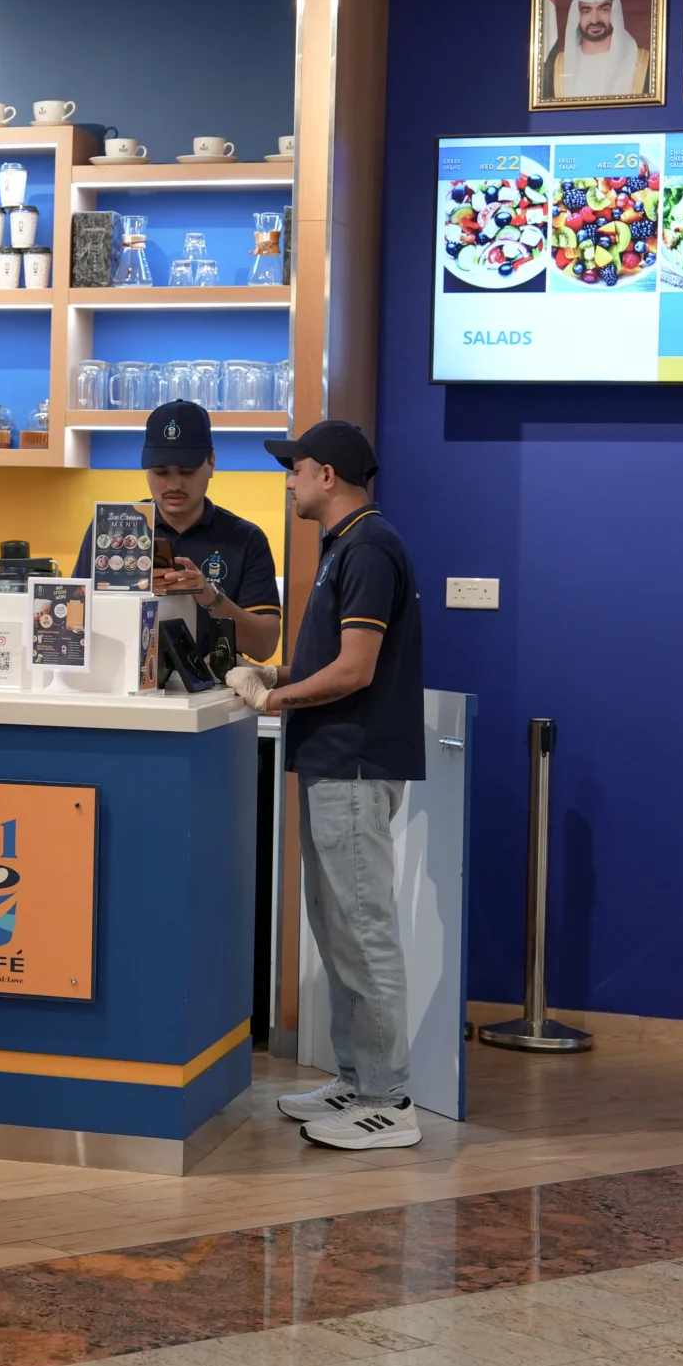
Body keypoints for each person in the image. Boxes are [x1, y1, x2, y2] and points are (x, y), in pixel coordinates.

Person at [223, 420, 427, 1151]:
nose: (290, 481)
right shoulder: (349, 545)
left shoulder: (367, 547)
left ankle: (388, 1099)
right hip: (336, 765)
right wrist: (275, 672)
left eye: (297, 468)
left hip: (355, 766)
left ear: (328, 475)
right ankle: (356, 1077)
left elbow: (356, 669)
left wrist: (273, 697)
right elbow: (329, 659)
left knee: (362, 932)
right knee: (339, 929)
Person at [70, 401, 283, 666]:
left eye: (186, 471)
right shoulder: (110, 530)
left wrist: (209, 596)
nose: (173, 484)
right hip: (121, 681)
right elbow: (73, 619)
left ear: (211, 462)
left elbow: (264, 646)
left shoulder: (246, 539)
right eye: (160, 472)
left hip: (215, 689)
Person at [542, 0, 649, 101]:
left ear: (615, 13)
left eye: (603, 10)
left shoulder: (643, 63)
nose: (594, 20)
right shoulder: (555, 67)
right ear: (577, 15)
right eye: (586, 11)